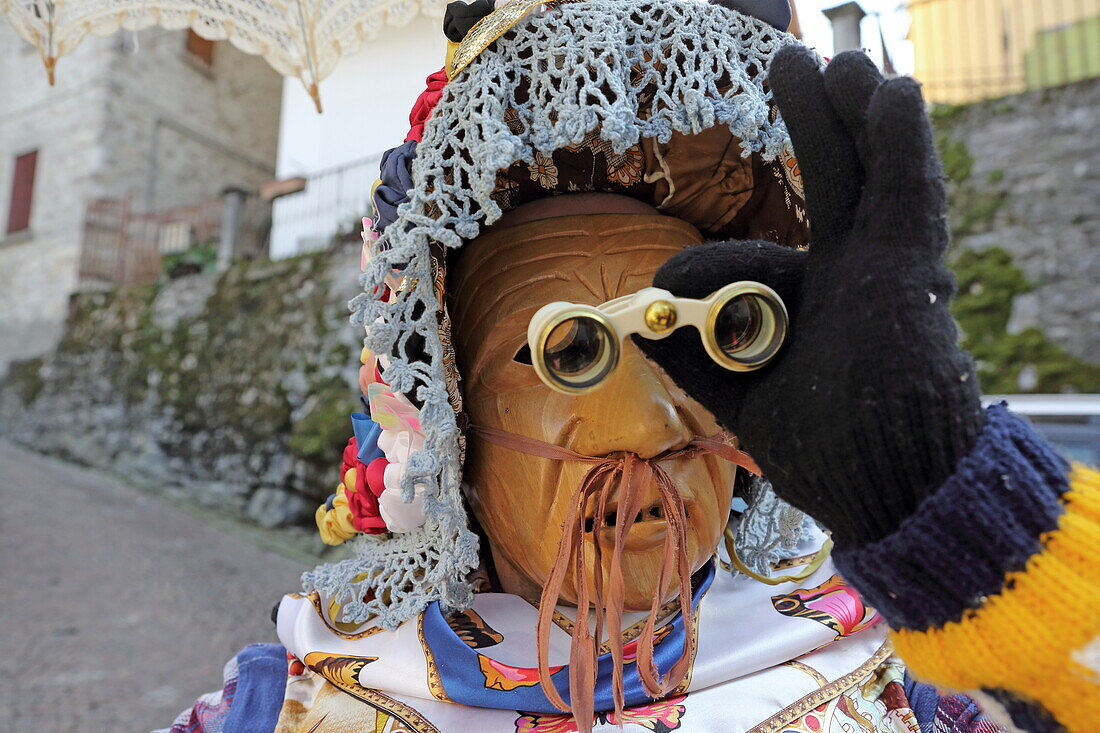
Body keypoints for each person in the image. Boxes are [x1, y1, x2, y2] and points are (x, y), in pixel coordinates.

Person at [161, 1, 1099, 732]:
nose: (654, 423)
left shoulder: (897, 683)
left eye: (697, 336)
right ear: (442, 428)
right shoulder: (292, 709)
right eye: (573, 348)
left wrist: (957, 498)